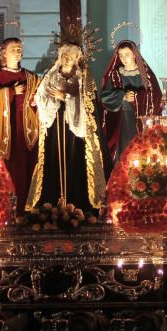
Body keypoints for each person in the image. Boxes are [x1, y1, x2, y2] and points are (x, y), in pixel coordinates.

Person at [25, 41, 108, 214]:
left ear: (77, 58)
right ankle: (53, 203)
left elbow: (89, 103)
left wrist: (67, 97)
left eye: (70, 56)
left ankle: (77, 203)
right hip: (55, 125)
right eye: (64, 55)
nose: (66, 59)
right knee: (53, 159)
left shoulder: (83, 77)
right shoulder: (52, 75)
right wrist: (40, 100)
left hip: (76, 130)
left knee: (75, 159)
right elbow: (41, 95)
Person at [0, 35, 40, 213]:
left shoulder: (30, 77)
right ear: (3, 53)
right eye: (13, 49)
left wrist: (37, 100)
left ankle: (28, 209)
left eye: (19, 49)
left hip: (28, 127)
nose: (17, 52)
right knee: (9, 168)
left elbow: (40, 96)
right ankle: (7, 210)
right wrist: (10, 91)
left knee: (29, 168)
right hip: (6, 129)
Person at [100, 38, 162, 164]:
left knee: (140, 152)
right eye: (121, 55)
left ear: (135, 54)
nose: (124, 58)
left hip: (141, 120)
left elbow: (155, 95)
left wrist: (137, 96)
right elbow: (104, 97)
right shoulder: (115, 74)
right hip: (122, 119)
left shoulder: (146, 75)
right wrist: (122, 95)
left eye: (127, 54)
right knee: (124, 152)